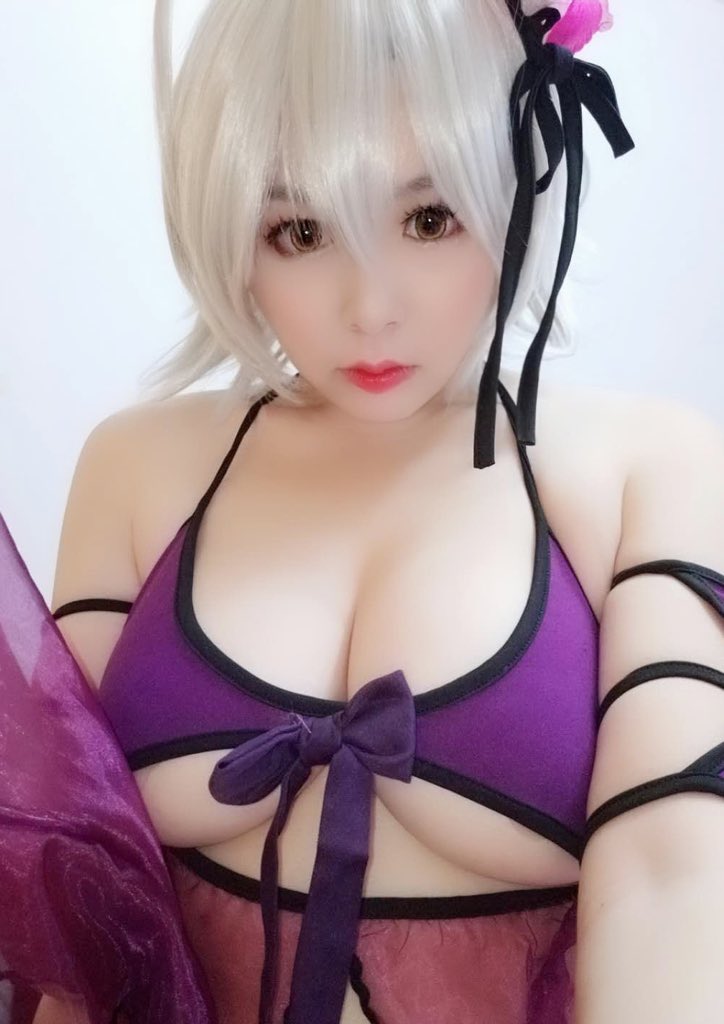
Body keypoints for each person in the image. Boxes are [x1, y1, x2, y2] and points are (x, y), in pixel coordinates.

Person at [1, 1, 723, 1022]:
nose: (370, 307)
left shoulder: (650, 467)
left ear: (517, 179)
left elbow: (675, 883)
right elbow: (83, 908)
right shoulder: (139, 466)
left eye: (429, 219)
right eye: (300, 231)